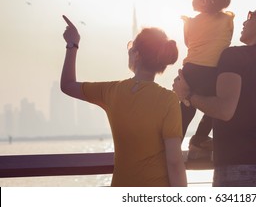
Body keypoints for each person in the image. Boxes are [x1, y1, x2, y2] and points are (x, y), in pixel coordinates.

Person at [173, 0, 256, 187]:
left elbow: (224, 110)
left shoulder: (234, 56)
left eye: (251, 16)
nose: (245, 22)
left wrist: (187, 95)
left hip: (236, 173)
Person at [60, 15, 187, 187]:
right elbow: (174, 162)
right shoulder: (168, 99)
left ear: (137, 55)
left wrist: (72, 44)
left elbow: (67, 85)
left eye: (131, 47)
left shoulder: (112, 91)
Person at [180, 0, 237, 160]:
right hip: (214, 73)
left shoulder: (190, 23)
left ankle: (172, 142)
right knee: (216, 107)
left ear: (204, 0)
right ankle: (200, 137)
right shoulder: (228, 20)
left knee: (185, 109)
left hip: (191, 71)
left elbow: (189, 44)